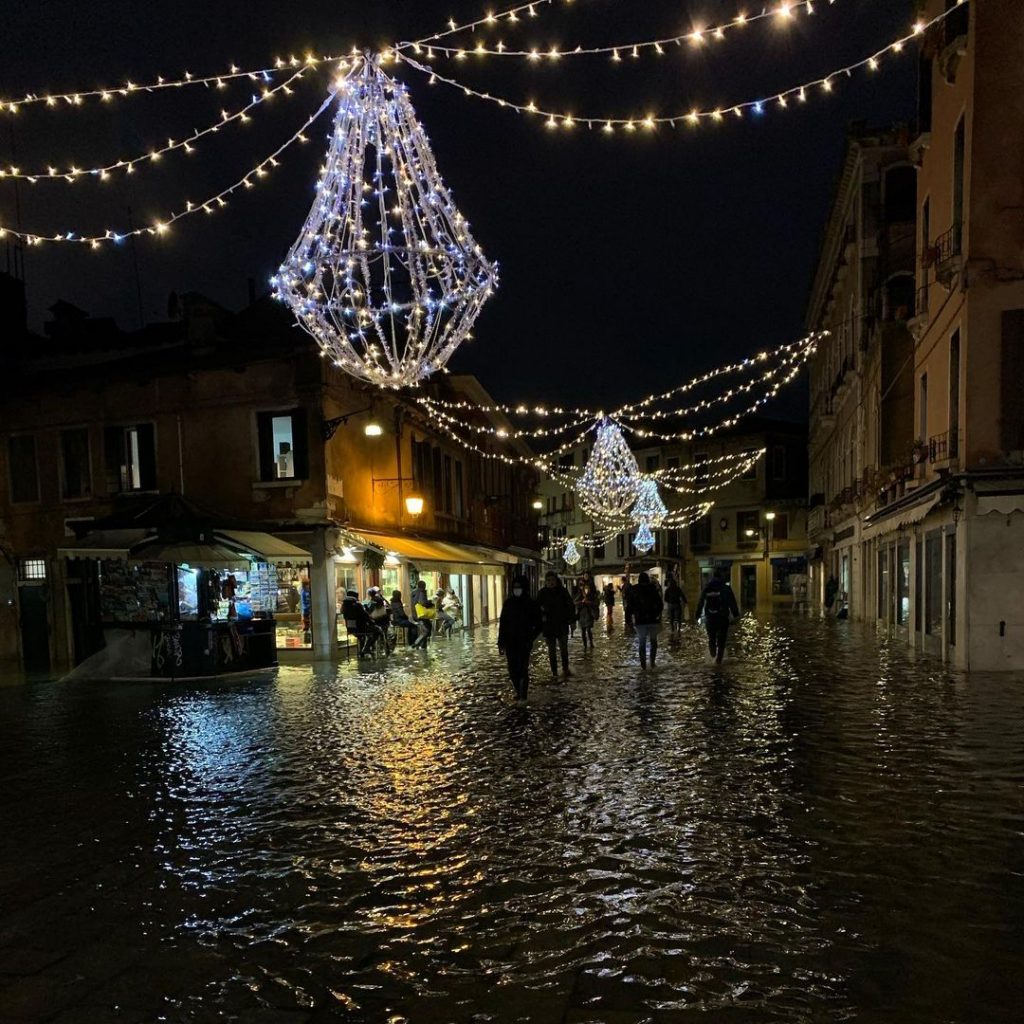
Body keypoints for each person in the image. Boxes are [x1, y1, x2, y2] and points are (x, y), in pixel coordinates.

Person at [497, 574, 542, 700]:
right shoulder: (508, 603)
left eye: (519, 587)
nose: (516, 589)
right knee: (512, 671)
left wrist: (530, 638)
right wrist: (501, 642)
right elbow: (503, 624)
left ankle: (523, 697)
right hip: (510, 642)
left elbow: (539, 624)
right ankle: (519, 692)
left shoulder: (531, 604)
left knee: (523, 669)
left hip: (524, 642)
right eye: (514, 587)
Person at [695, 569, 740, 664]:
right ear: (721, 577)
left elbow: (700, 602)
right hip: (723, 617)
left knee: (711, 638)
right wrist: (736, 615)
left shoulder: (707, 588)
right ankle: (718, 661)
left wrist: (697, 615)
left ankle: (712, 653)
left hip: (710, 617)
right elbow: (732, 602)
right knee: (722, 640)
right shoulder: (726, 588)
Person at [537, 570, 576, 678]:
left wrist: (572, 621)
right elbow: (536, 608)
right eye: (548, 580)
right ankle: (554, 672)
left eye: (552, 580)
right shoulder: (542, 593)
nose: (551, 582)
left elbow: (570, 606)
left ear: (556, 580)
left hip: (562, 625)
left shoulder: (562, 592)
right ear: (546, 581)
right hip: (549, 627)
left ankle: (565, 669)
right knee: (552, 651)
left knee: (564, 649)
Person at [628, 571, 664, 668]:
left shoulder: (634, 590)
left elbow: (629, 606)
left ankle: (643, 665)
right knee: (653, 641)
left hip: (640, 621)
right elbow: (660, 604)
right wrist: (658, 615)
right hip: (653, 620)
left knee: (642, 642)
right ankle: (652, 662)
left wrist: (629, 620)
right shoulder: (653, 589)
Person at [342, 589, 381, 658]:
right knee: (377, 630)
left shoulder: (344, 606)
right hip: (360, 628)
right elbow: (365, 616)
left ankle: (362, 651)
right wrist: (373, 623)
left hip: (350, 629)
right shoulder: (357, 605)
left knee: (361, 636)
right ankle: (366, 648)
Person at [575, 580, 599, 649]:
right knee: (583, 630)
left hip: (589, 614)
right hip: (582, 615)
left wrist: (589, 602)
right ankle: (585, 644)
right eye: (585, 588)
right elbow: (575, 602)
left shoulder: (592, 595)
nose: (586, 590)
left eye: (587, 588)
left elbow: (596, 603)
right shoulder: (580, 595)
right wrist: (581, 602)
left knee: (588, 629)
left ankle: (591, 642)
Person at [411, 581, 436, 649]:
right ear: (424, 586)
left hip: (415, 614)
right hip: (421, 614)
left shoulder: (413, 592)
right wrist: (431, 602)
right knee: (426, 631)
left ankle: (423, 646)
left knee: (427, 627)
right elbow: (423, 602)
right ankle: (416, 643)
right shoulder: (422, 592)